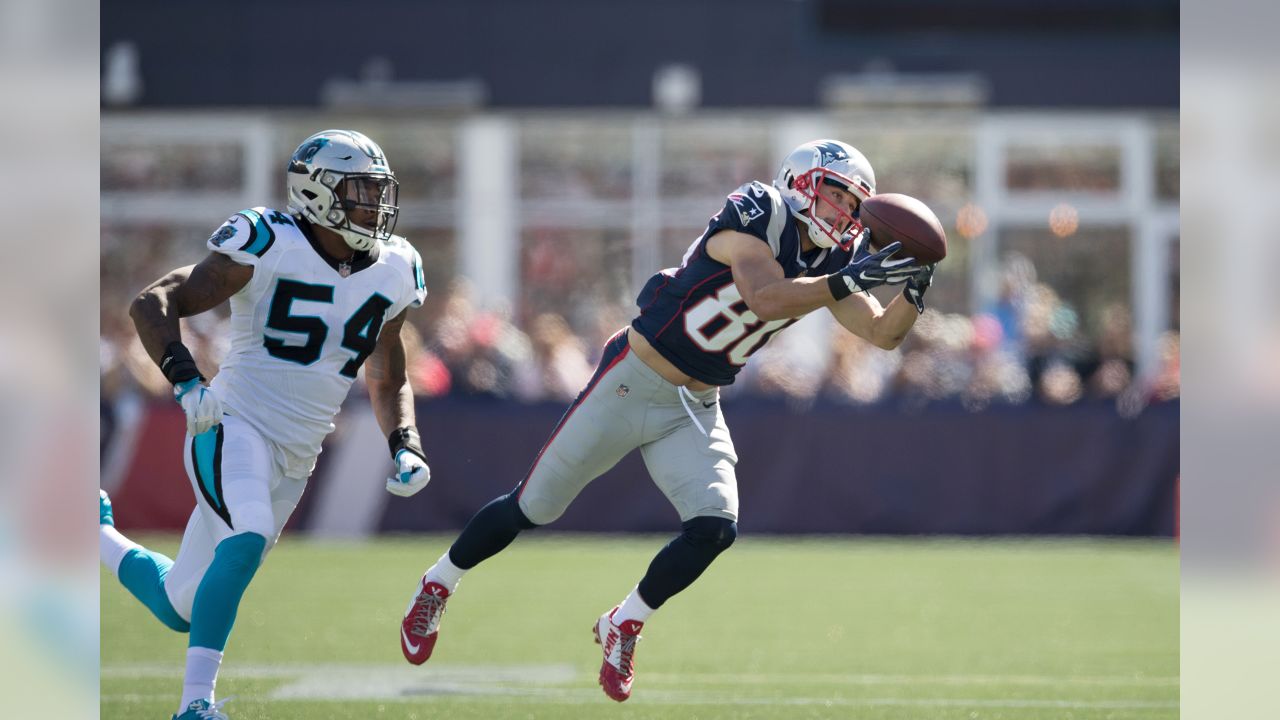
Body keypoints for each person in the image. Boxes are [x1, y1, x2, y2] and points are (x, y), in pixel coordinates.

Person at [397, 139, 937, 702]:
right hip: (631, 382)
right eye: (838, 196)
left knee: (715, 526)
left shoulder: (833, 263)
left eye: (856, 206)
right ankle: (439, 581)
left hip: (696, 405)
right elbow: (765, 297)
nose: (846, 215)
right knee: (533, 506)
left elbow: (882, 335)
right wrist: (849, 280)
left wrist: (915, 293)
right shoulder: (761, 210)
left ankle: (624, 622)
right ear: (802, 181)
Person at [100, 129, 432, 720]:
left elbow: (386, 374)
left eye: (377, 191)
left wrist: (404, 443)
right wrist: (185, 379)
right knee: (246, 534)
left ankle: (91, 533)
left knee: (182, 605)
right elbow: (154, 301)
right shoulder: (269, 239)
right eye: (358, 191)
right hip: (232, 422)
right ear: (318, 191)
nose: (373, 205)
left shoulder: (397, 267)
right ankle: (195, 706)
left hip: (297, 454)